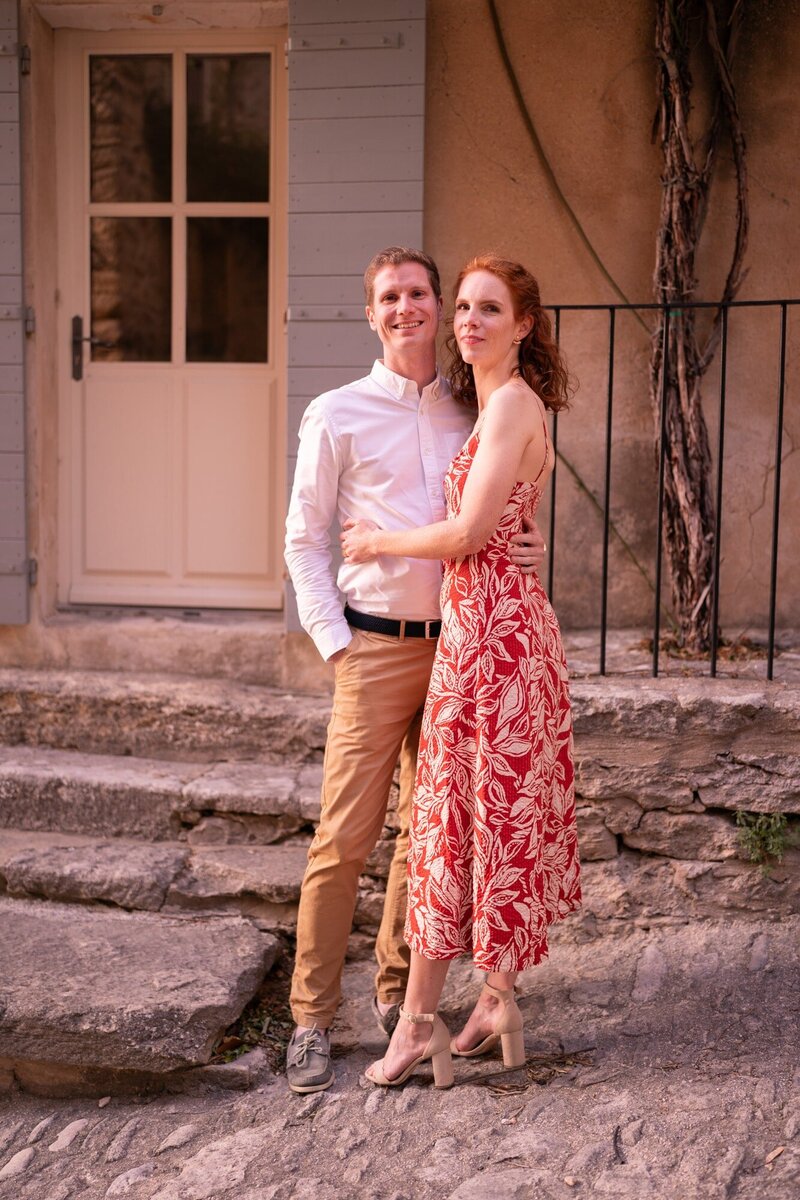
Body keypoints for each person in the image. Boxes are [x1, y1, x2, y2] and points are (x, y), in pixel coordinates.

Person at [283, 247, 546, 1094]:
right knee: (343, 840)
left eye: (421, 294)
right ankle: (311, 1020)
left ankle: (401, 1004)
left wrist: (527, 544)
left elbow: (495, 508)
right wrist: (335, 642)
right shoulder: (336, 412)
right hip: (374, 649)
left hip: (461, 649)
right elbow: (304, 538)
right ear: (371, 313)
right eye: (390, 297)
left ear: (438, 307)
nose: (410, 308)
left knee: (425, 841)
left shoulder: (473, 404)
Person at [340, 255, 582, 1089]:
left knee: (451, 831)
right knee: (489, 823)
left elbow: (467, 535)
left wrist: (375, 541)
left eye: (490, 310)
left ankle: (416, 1027)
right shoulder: (500, 405)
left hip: (493, 648)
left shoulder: (511, 403)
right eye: (466, 309)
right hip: (495, 632)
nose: (469, 322)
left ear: (523, 326)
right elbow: (505, 521)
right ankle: (497, 1000)